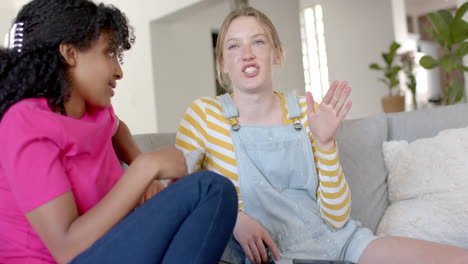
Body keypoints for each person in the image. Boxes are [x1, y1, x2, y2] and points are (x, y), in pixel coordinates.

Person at [176, 6, 468, 264]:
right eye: (233, 47)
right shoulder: (203, 115)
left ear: (277, 53)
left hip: (339, 244)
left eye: (258, 41)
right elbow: (177, 197)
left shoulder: (307, 111)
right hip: (266, 255)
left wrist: (325, 143)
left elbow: (337, 217)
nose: (247, 54)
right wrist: (233, 220)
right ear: (223, 64)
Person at [0, 1, 238, 263]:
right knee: (209, 189)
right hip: (62, 257)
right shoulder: (26, 123)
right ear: (70, 53)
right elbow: (66, 248)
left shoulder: (95, 109)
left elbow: (115, 130)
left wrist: (137, 159)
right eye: (109, 53)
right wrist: (144, 169)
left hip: (107, 245)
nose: (119, 71)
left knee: (208, 197)